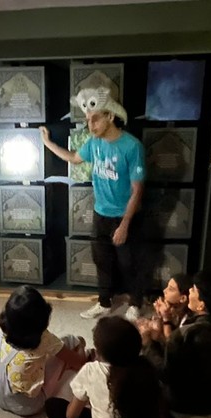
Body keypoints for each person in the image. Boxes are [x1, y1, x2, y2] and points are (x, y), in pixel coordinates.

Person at [40, 101, 146, 322]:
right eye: (88, 120)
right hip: (101, 213)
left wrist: (124, 225)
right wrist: (47, 142)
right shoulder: (94, 142)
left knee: (129, 263)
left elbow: (137, 190)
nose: (90, 125)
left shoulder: (132, 146)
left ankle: (136, 303)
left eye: (95, 118)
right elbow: (74, 158)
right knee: (102, 260)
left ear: (109, 116)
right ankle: (104, 302)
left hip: (125, 215)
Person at [46, 316, 161, 418]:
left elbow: (71, 417)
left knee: (53, 406)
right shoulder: (147, 370)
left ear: (99, 352)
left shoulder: (92, 370)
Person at [143, 271, 211, 418]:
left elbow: (165, 373)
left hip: (186, 403)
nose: (189, 292)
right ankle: (208, 415)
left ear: (202, 305)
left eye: (193, 291)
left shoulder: (186, 334)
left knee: (142, 375)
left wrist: (148, 343)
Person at [0, 285, 92, 416]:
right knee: (72, 340)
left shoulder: (1, 328)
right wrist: (80, 346)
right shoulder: (45, 339)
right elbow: (78, 362)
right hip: (28, 407)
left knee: (42, 356)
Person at [136, 273, 193, 345]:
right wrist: (160, 314)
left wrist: (166, 319)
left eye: (171, 289)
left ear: (183, 298)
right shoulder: (175, 313)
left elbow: (171, 344)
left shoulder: (188, 321)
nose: (164, 291)